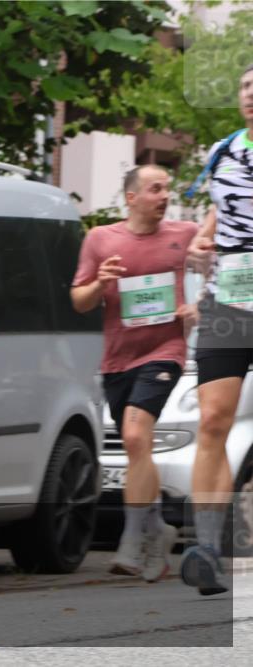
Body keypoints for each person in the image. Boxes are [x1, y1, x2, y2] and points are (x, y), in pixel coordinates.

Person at [71, 165, 198, 582]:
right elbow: (80, 301)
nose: (164, 196)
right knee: (136, 449)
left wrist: (198, 306)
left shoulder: (185, 235)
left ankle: (131, 540)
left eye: (167, 189)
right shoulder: (101, 239)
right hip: (118, 360)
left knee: (134, 435)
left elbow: (222, 272)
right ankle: (157, 529)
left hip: (165, 352)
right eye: (155, 189)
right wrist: (99, 282)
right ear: (131, 197)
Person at [181, 64, 253, 597]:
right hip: (229, 298)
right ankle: (208, 548)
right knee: (212, 421)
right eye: (247, 87)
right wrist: (201, 242)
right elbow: (217, 215)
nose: (251, 95)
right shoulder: (223, 150)